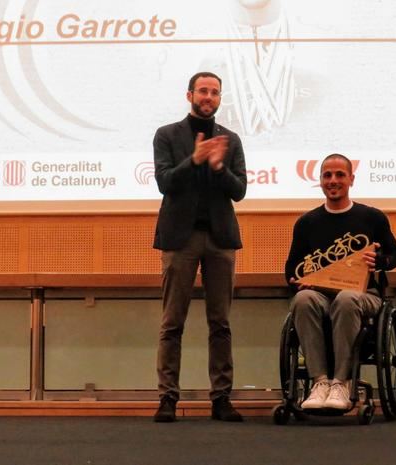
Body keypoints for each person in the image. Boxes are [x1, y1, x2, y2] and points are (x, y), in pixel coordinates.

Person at [152, 71, 247, 422]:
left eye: (215, 92)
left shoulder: (231, 139)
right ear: (189, 94)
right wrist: (193, 160)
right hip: (181, 238)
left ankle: (221, 398)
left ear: (220, 99)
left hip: (221, 239)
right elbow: (164, 182)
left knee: (220, 323)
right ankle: (167, 399)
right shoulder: (167, 135)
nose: (209, 97)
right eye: (203, 91)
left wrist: (219, 167)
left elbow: (240, 190)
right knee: (172, 322)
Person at [285, 154, 396, 410]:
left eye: (339, 175)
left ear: (351, 179)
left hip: (364, 295)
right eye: (327, 175)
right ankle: (320, 382)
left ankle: (342, 382)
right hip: (320, 296)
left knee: (346, 298)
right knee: (302, 299)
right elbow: (291, 269)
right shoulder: (307, 223)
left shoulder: (372, 217)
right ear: (320, 181)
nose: (333, 180)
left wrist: (379, 261)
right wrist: (298, 281)